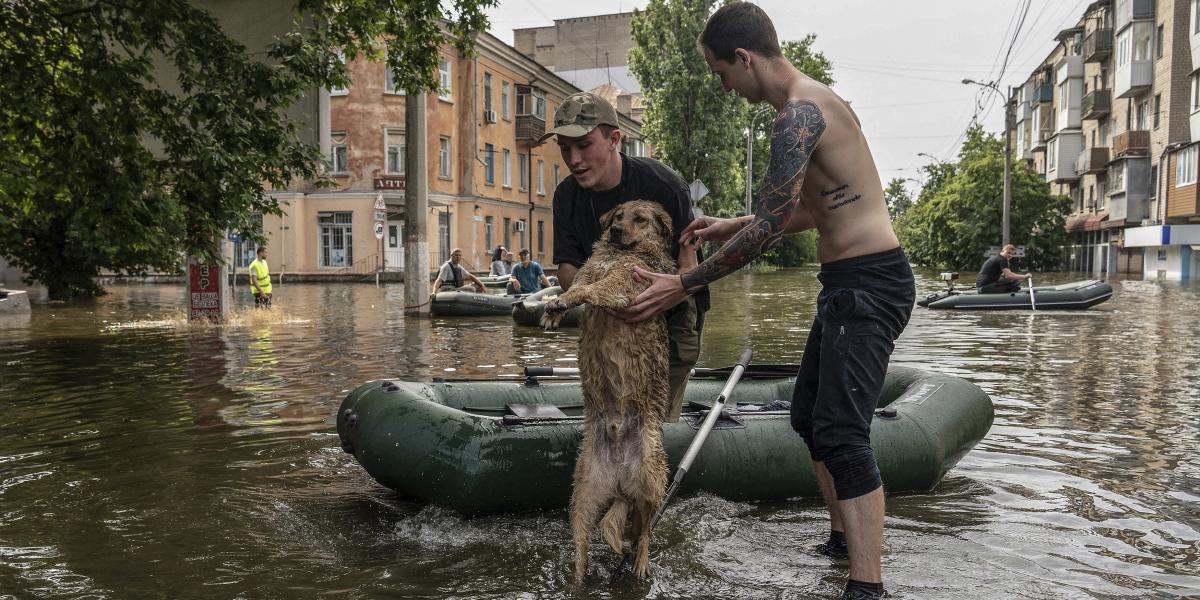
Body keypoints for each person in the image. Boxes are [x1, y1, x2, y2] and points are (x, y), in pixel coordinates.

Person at [619, 4, 913, 598]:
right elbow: (817, 208)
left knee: (843, 435)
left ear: (745, 58)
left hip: (869, 284)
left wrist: (684, 282)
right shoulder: (816, 103)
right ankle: (840, 542)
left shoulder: (798, 116)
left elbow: (772, 228)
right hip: (848, 283)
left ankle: (867, 585)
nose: (723, 87)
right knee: (808, 417)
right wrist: (731, 222)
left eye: (721, 73)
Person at [542, 91, 709, 422]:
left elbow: (689, 266)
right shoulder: (565, 196)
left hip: (672, 315)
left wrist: (660, 296)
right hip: (607, 314)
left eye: (584, 145)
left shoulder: (662, 184)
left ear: (613, 139)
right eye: (564, 148)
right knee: (610, 419)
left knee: (652, 422)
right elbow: (567, 267)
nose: (573, 158)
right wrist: (603, 298)